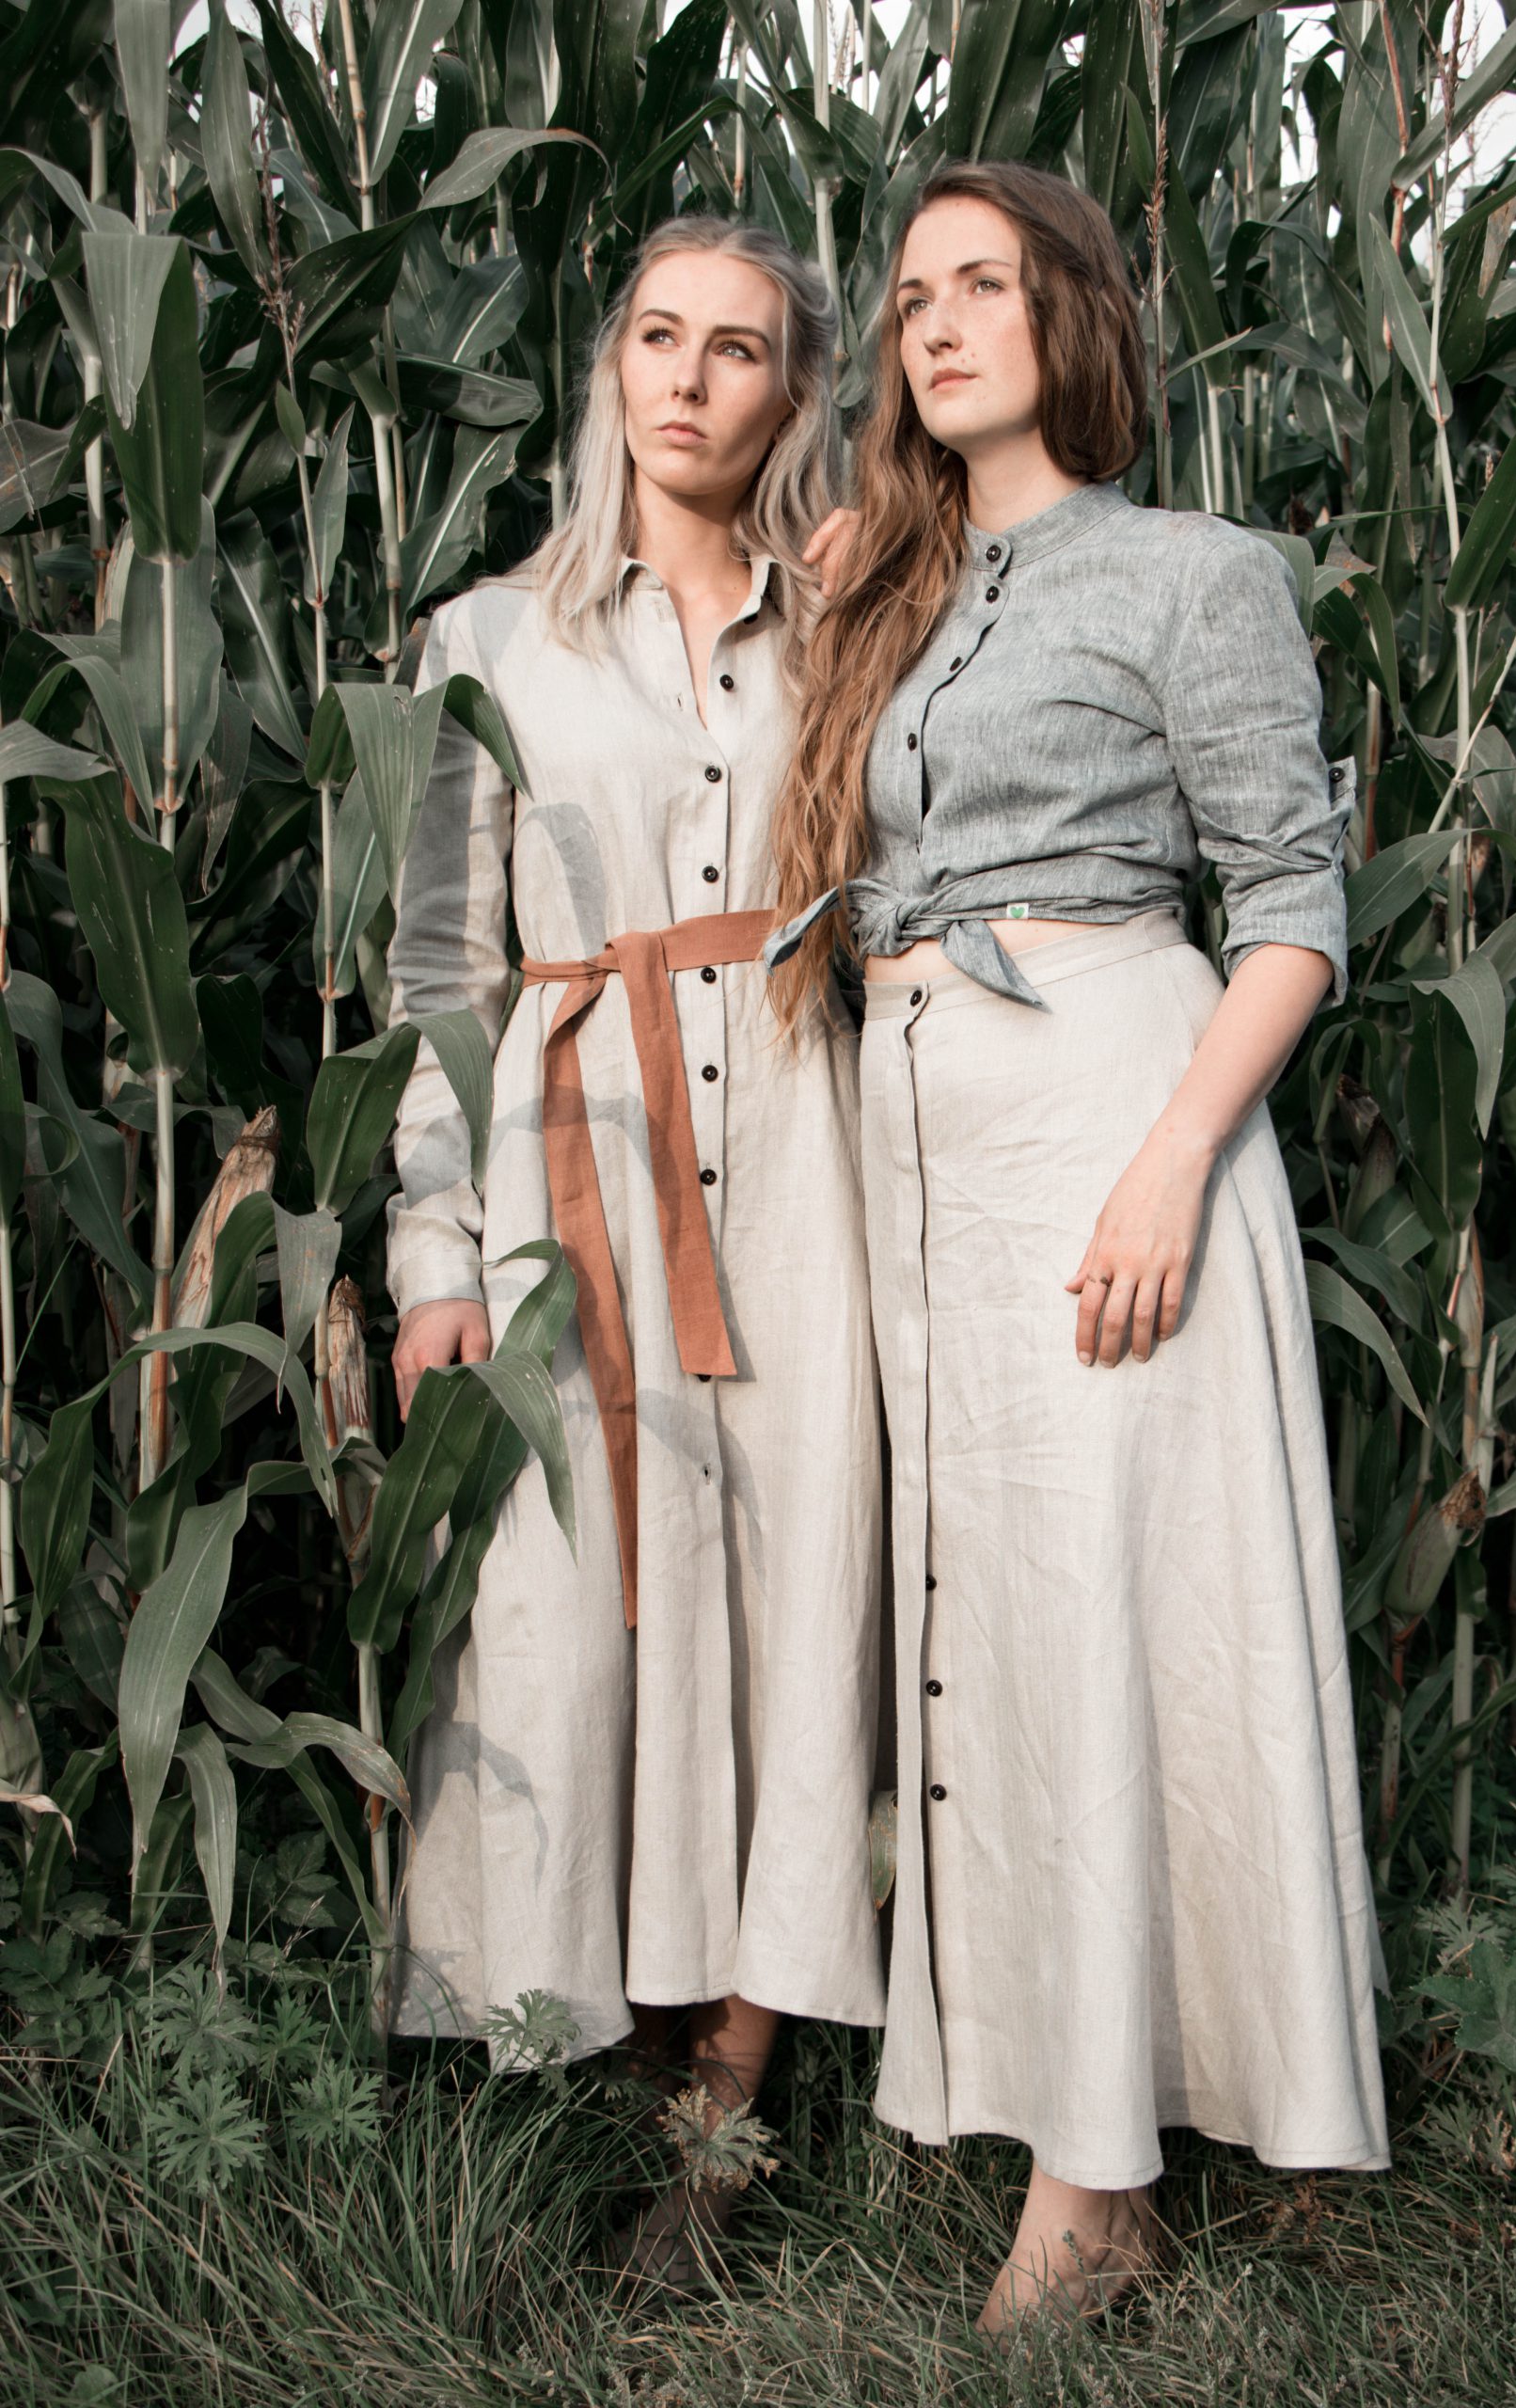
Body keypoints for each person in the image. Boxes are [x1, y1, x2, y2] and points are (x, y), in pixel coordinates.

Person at [767, 159, 1389, 2337]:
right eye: (909, 297)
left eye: (982, 285)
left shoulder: (1193, 573)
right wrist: (836, 588)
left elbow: (1289, 905)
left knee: (1107, 1613)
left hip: (1108, 1104)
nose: (935, 324)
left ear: (1069, 313)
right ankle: (1066, 2106)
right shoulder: (890, 587)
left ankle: (1093, 2180)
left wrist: (1167, 1162)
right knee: (996, 1626)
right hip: (927, 1141)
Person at [383, 216, 882, 2276]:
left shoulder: (851, 620)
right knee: (571, 1609)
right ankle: (586, 2077)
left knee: (793, 1595)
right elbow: (438, 968)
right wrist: (431, 1251)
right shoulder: (489, 638)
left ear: (795, 389)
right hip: (566, 1155)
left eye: (737, 348)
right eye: (655, 337)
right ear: (609, 372)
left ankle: (723, 2126)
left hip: (801, 1159)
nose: (686, 377)